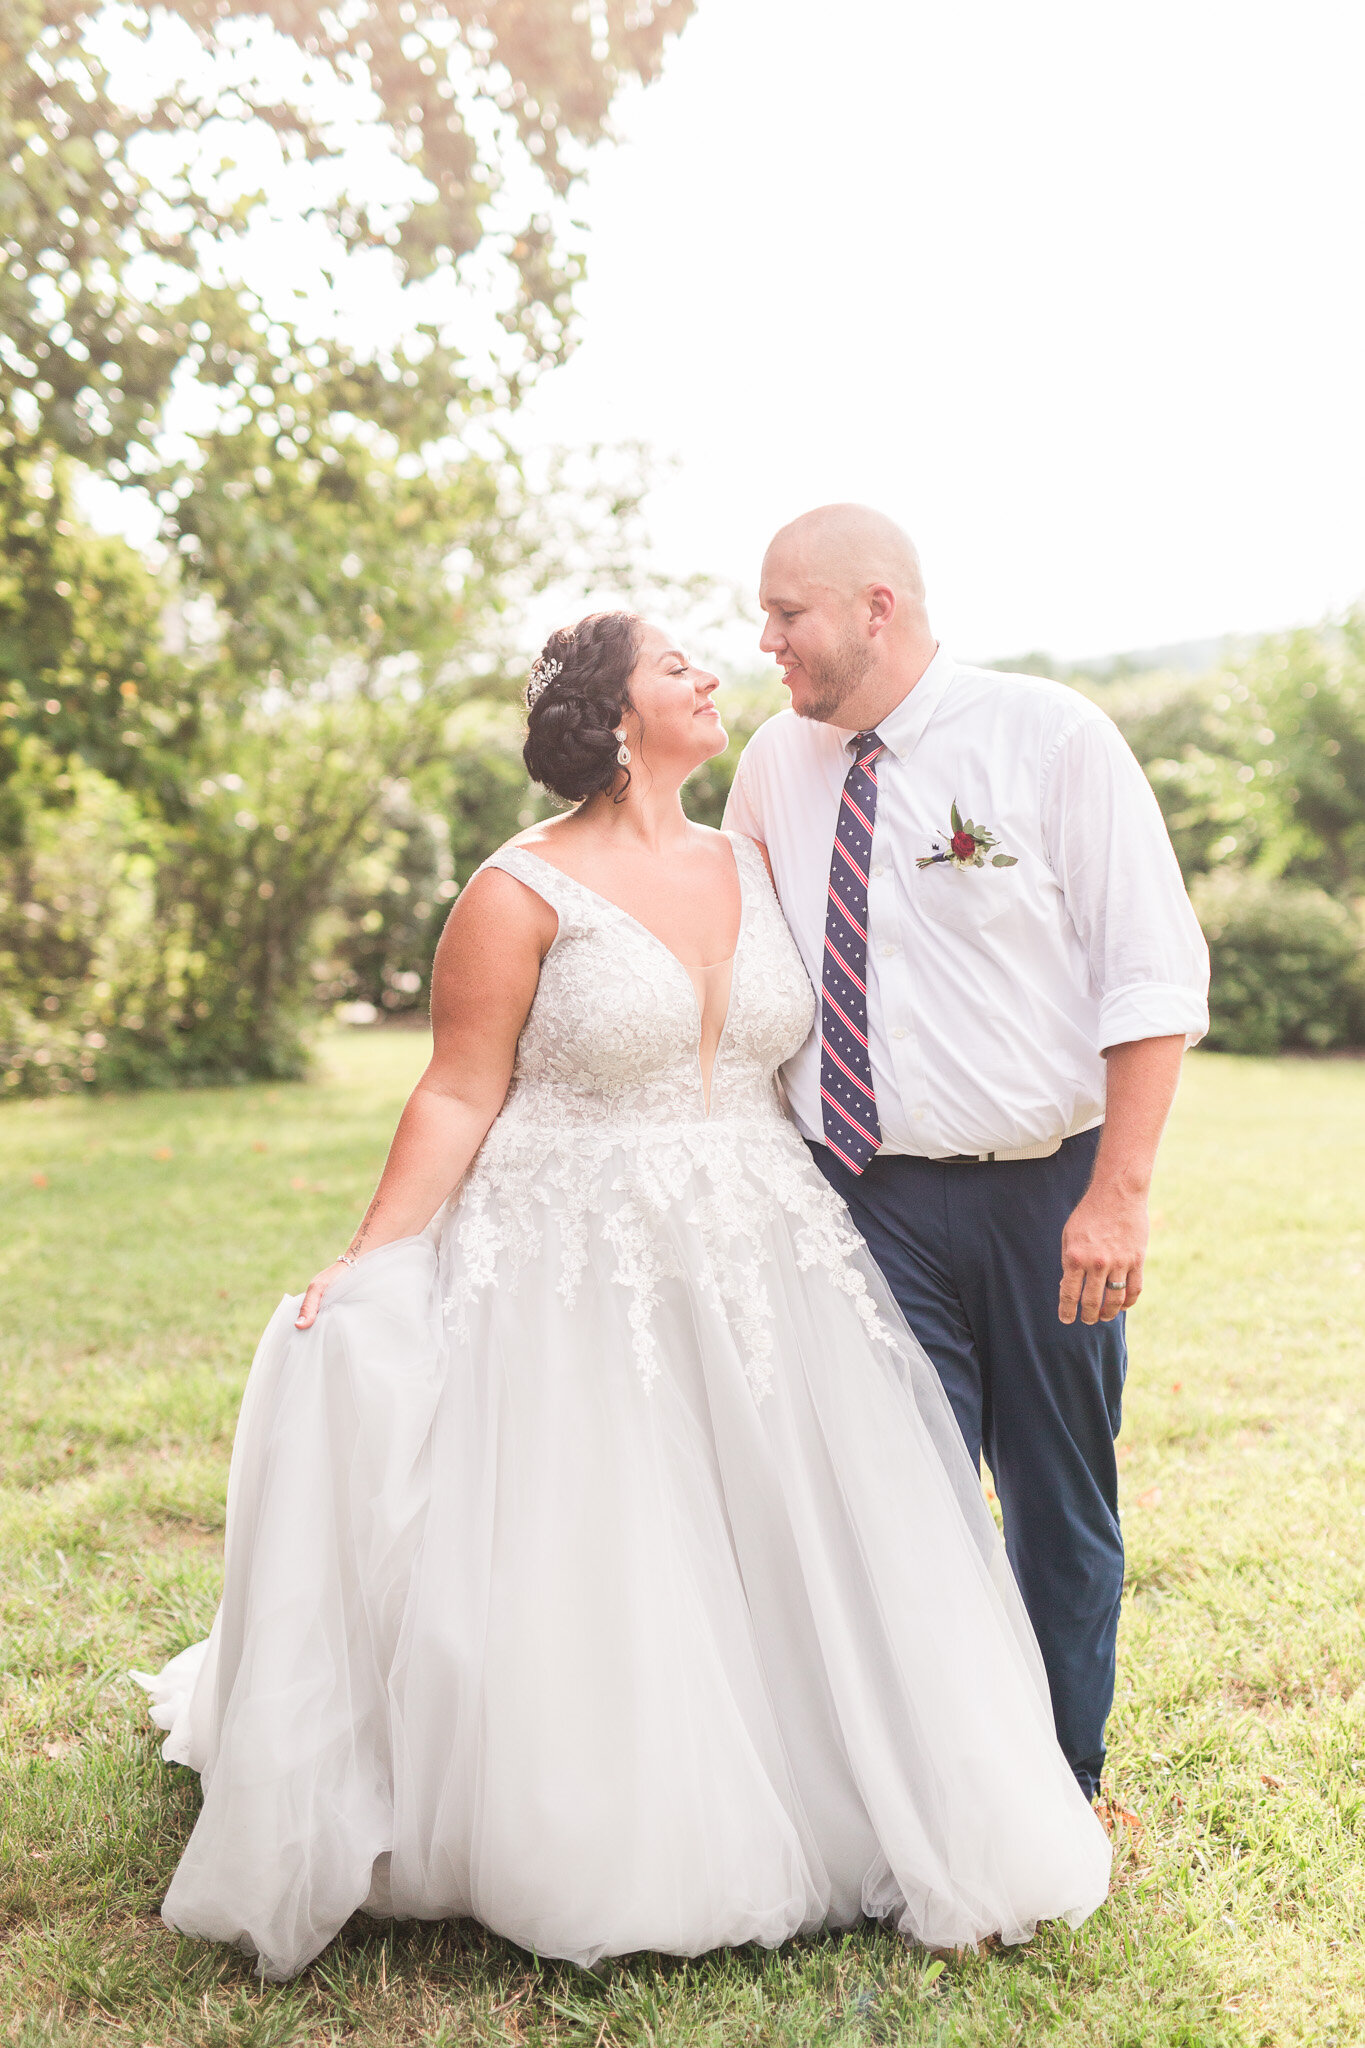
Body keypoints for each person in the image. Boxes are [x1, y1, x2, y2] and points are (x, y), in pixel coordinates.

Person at [136, 609, 1110, 1981]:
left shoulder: (752, 855)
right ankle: (604, 1812)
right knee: (604, 1529)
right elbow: (459, 1085)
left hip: (766, 1242)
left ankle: (852, 1785)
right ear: (609, 716)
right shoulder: (516, 891)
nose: (713, 673)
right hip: (566, 1249)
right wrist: (372, 1254)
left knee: (797, 1526)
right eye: (676, 666)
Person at [723, 505, 1211, 1802]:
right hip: (859, 1201)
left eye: (786, 613)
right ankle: (935, 1793)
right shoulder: (775, 761)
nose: (762, 638)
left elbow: (1150, 976)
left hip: (1046, 1199)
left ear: (875, 605)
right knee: (895, 1504)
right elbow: (748, 960)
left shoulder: (1046, 736)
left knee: (1056, 1508)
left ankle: (1059, 1785)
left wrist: (1118, 1195)